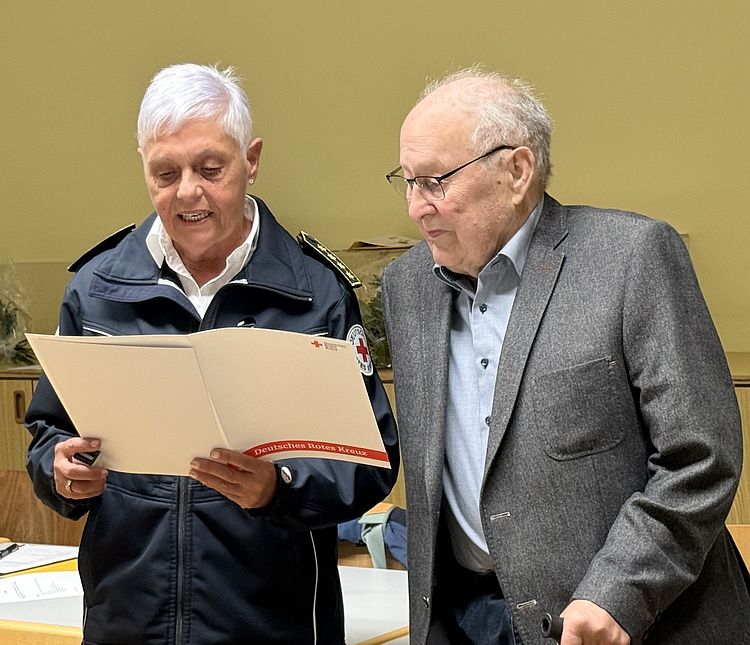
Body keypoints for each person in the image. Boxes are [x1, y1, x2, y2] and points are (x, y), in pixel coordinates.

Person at [25, 63, 399, 644]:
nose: (187, 192)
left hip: (268, 625)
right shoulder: (97, 288)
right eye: (165, 172)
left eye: (210, 168)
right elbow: (49, 432)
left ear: (251, 160)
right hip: (127, 622)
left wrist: (279, 487)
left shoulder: (315, 293)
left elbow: (369, 462)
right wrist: (58, 470)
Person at [381, 66, 749, 645]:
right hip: (472, 619)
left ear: (517, 171)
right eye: (407, 182)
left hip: (635, 624)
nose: (415, 208)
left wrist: (620, 593)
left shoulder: (630, 258)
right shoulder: (407, 286)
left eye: (434, 182)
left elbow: (700, 458)